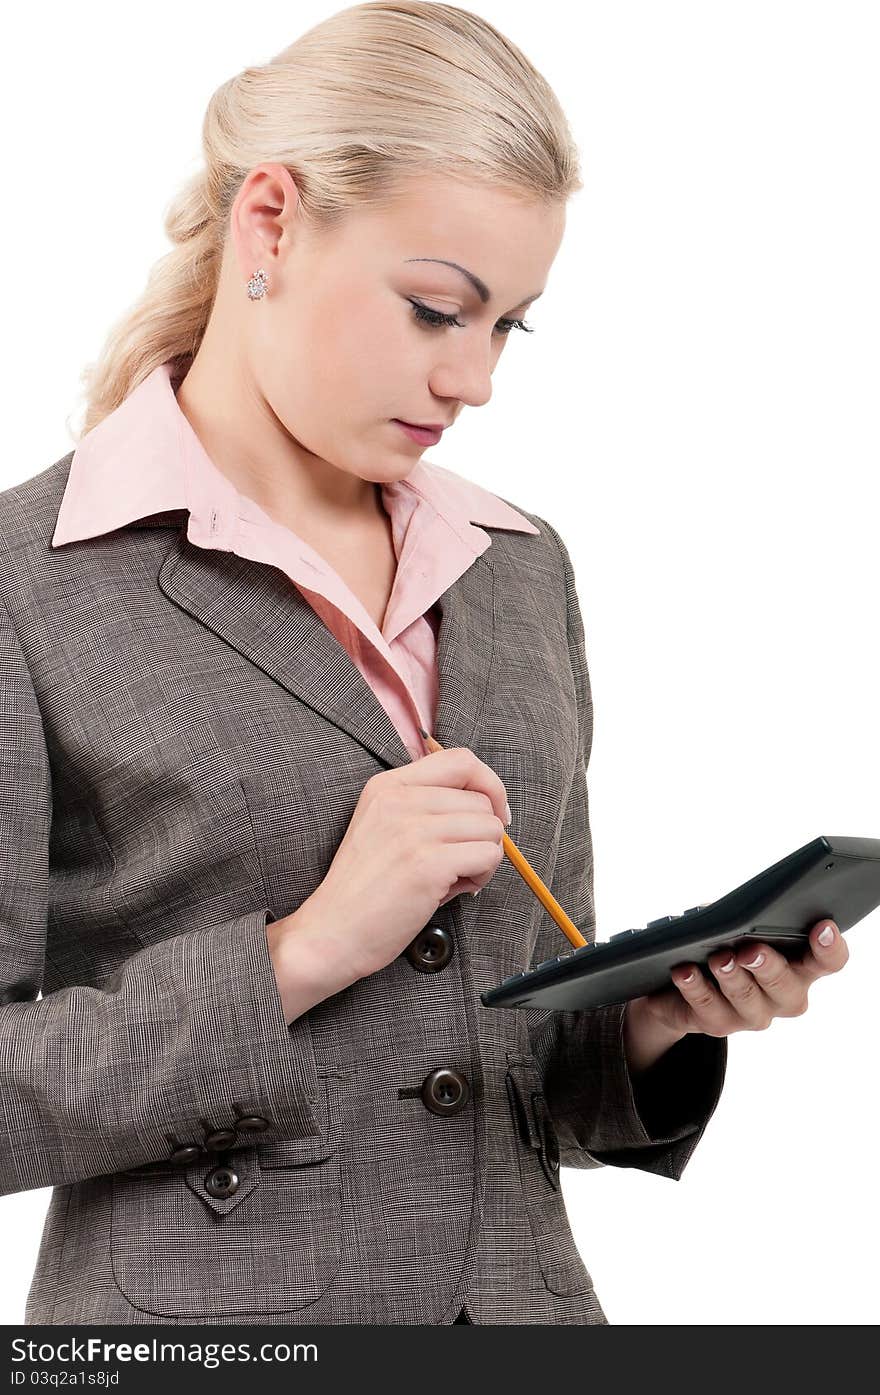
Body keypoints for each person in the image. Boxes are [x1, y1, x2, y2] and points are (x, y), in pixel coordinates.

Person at [0, 1, 848, 1328]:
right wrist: (300, 953)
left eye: (510, 325)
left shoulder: (518, 568)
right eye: (436, 309)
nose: (475, 380)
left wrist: (660, 1020)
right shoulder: (26, 585)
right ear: (270, 220)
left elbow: (529, 1048)